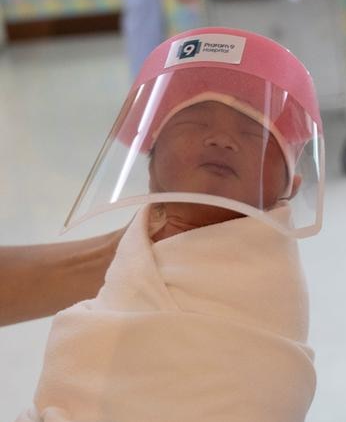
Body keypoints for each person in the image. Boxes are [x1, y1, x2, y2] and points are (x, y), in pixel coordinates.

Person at [15, 26, 325, 422]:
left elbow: (265, 382)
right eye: (192, 125)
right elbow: (91, 348)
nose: (221, 139)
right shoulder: (130, 263)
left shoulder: (269, 278)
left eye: (252, 134)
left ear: (290, 187)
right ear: (150, 167)